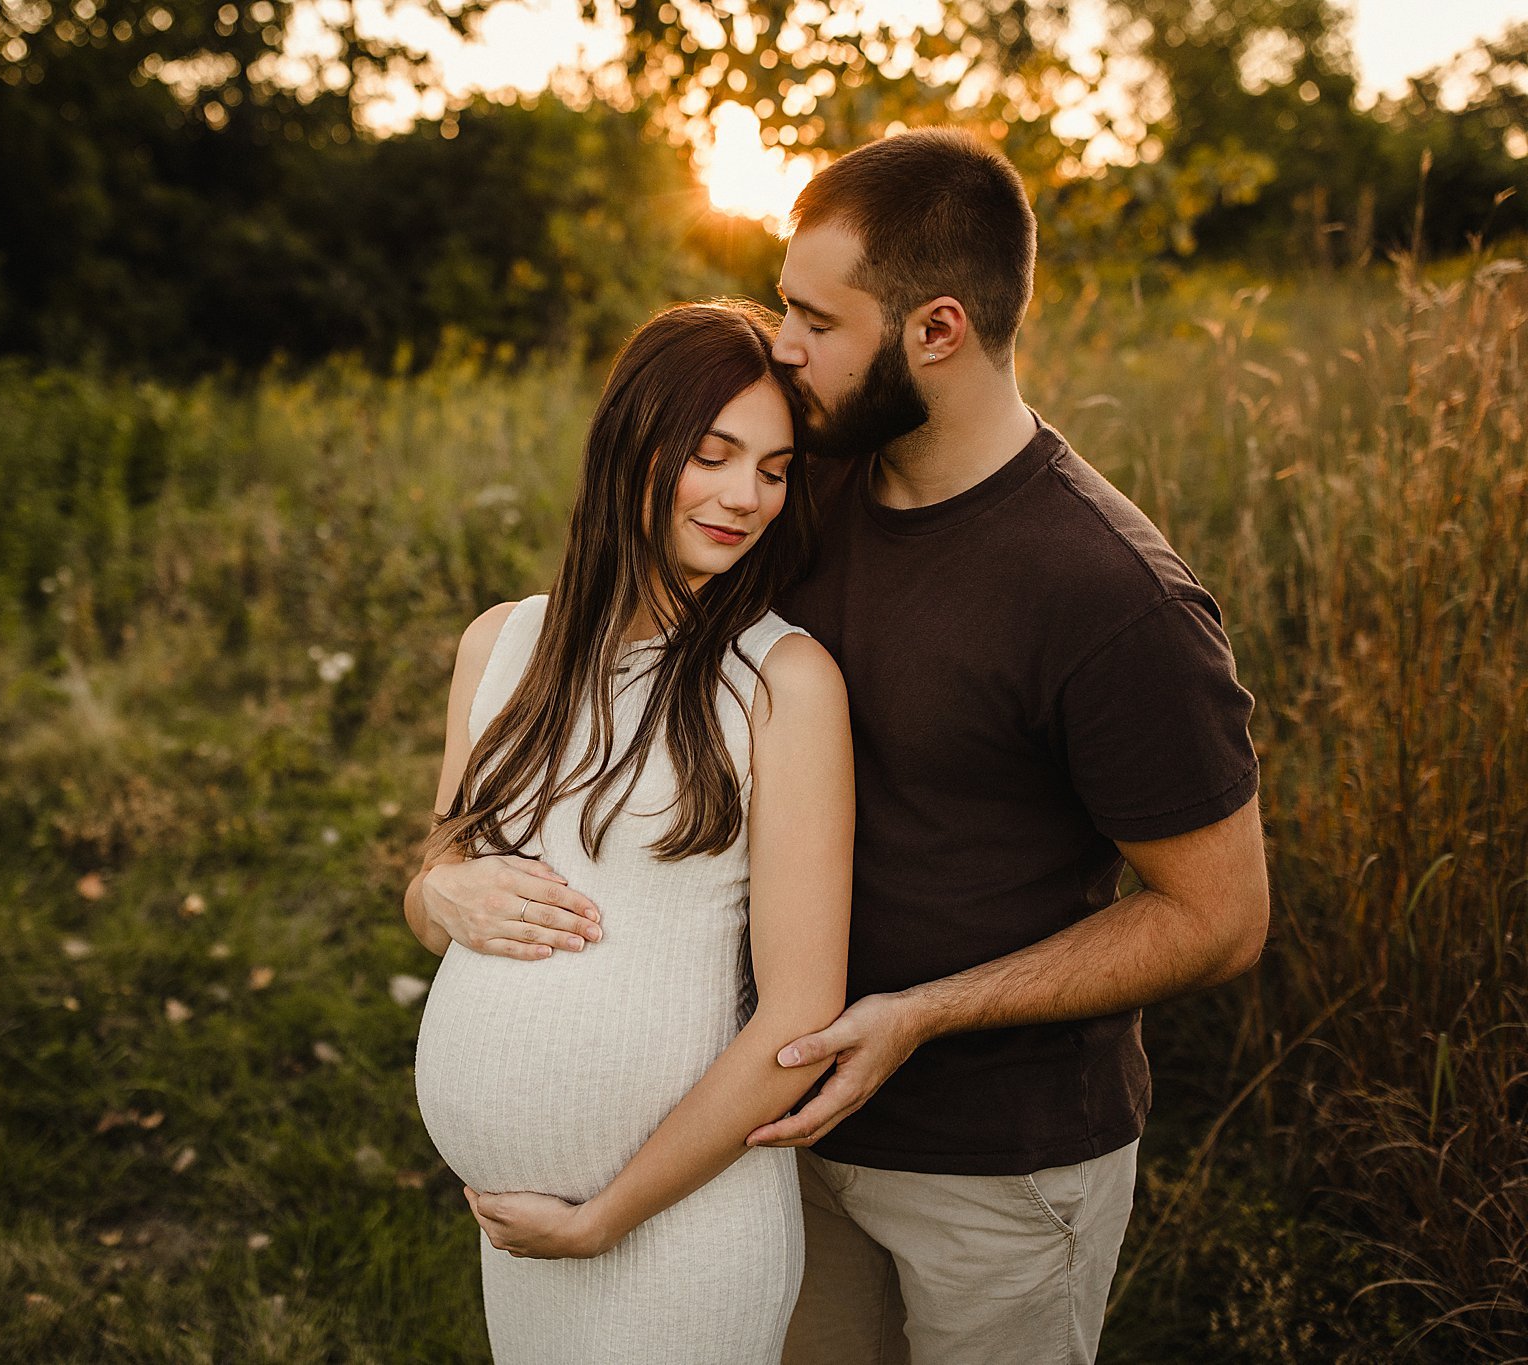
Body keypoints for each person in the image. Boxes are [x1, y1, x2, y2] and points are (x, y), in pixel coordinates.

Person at [413, 128, 1270, 1365]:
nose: (780, 344)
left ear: (933, 331)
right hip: (776, 1137)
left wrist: (917, 1014)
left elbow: (1218, 916)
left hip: (992, 1165)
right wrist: (450, 882)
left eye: (812, 317)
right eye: (779, 305)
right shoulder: (802, 488)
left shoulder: (1106, 596)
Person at [405, 299, 854, 1364]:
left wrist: (607, 1215)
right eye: (712, 455)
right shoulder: (501, 644)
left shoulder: (781, 680)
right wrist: (438, 890)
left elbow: (800, 1017)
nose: (744, 497)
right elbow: (433, 894)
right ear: (630, 444)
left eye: (774, 468)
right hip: (518, 1237)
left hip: (681, 1234)